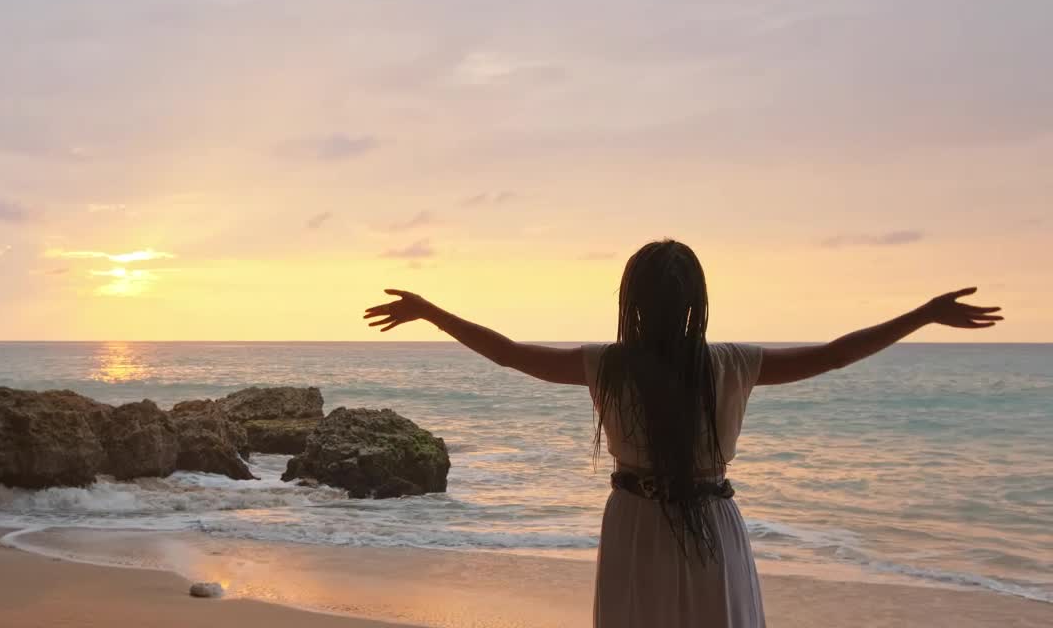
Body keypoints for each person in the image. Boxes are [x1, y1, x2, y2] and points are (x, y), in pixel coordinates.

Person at [363, 239, 1002, 627]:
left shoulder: (608, 365)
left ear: (632, 302)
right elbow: (835, 352)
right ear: (697, 301)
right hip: (712, 520)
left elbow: (508, 353)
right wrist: (922, 314)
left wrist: (431, 312)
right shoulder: (731, 362)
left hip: (635, 518)